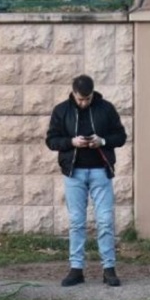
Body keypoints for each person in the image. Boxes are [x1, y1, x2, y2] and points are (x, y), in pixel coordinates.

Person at [46, 74, 127, 288]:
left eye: (88, 99)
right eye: (80, 99)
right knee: (76, 222)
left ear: (93, 94)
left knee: (105, 220)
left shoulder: (106, 109)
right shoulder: (61, 111)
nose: (84, 103)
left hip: (100, 171)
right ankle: (76, 269)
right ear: (73, 93)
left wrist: (102, 141)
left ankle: (109, 268)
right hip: (74, 173)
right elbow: (51, 141)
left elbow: (121, 136)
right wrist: (72, 142)